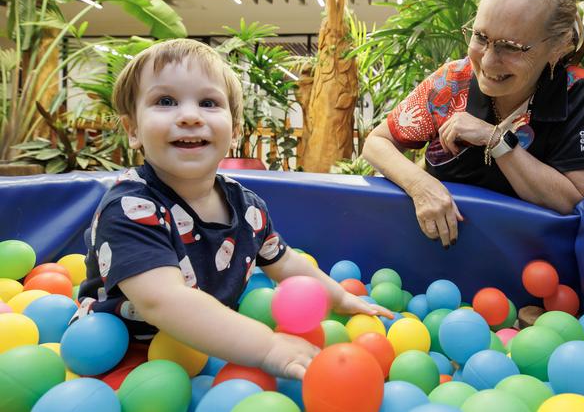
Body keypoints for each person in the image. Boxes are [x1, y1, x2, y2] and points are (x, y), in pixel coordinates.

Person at [77, 39, 391, 380]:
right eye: (165, 101)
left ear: (235, 130)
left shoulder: (247, 207)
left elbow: (284, 261)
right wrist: (268, 347)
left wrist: (340, 298)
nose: (189, 116)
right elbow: (163, 301)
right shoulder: (130, 208)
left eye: (208, 102)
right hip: (123, 353)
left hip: (217, 348)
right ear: (133, 129)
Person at [362, 0, 584, 248]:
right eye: (480, 37)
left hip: (527, 262)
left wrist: (493, 139)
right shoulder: (451, 81)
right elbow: (376, 143)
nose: (488, 61)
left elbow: (571, 199)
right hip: (437, 252)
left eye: (511, 47)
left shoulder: (576, 91)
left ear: (559, 46)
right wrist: (421, 186)